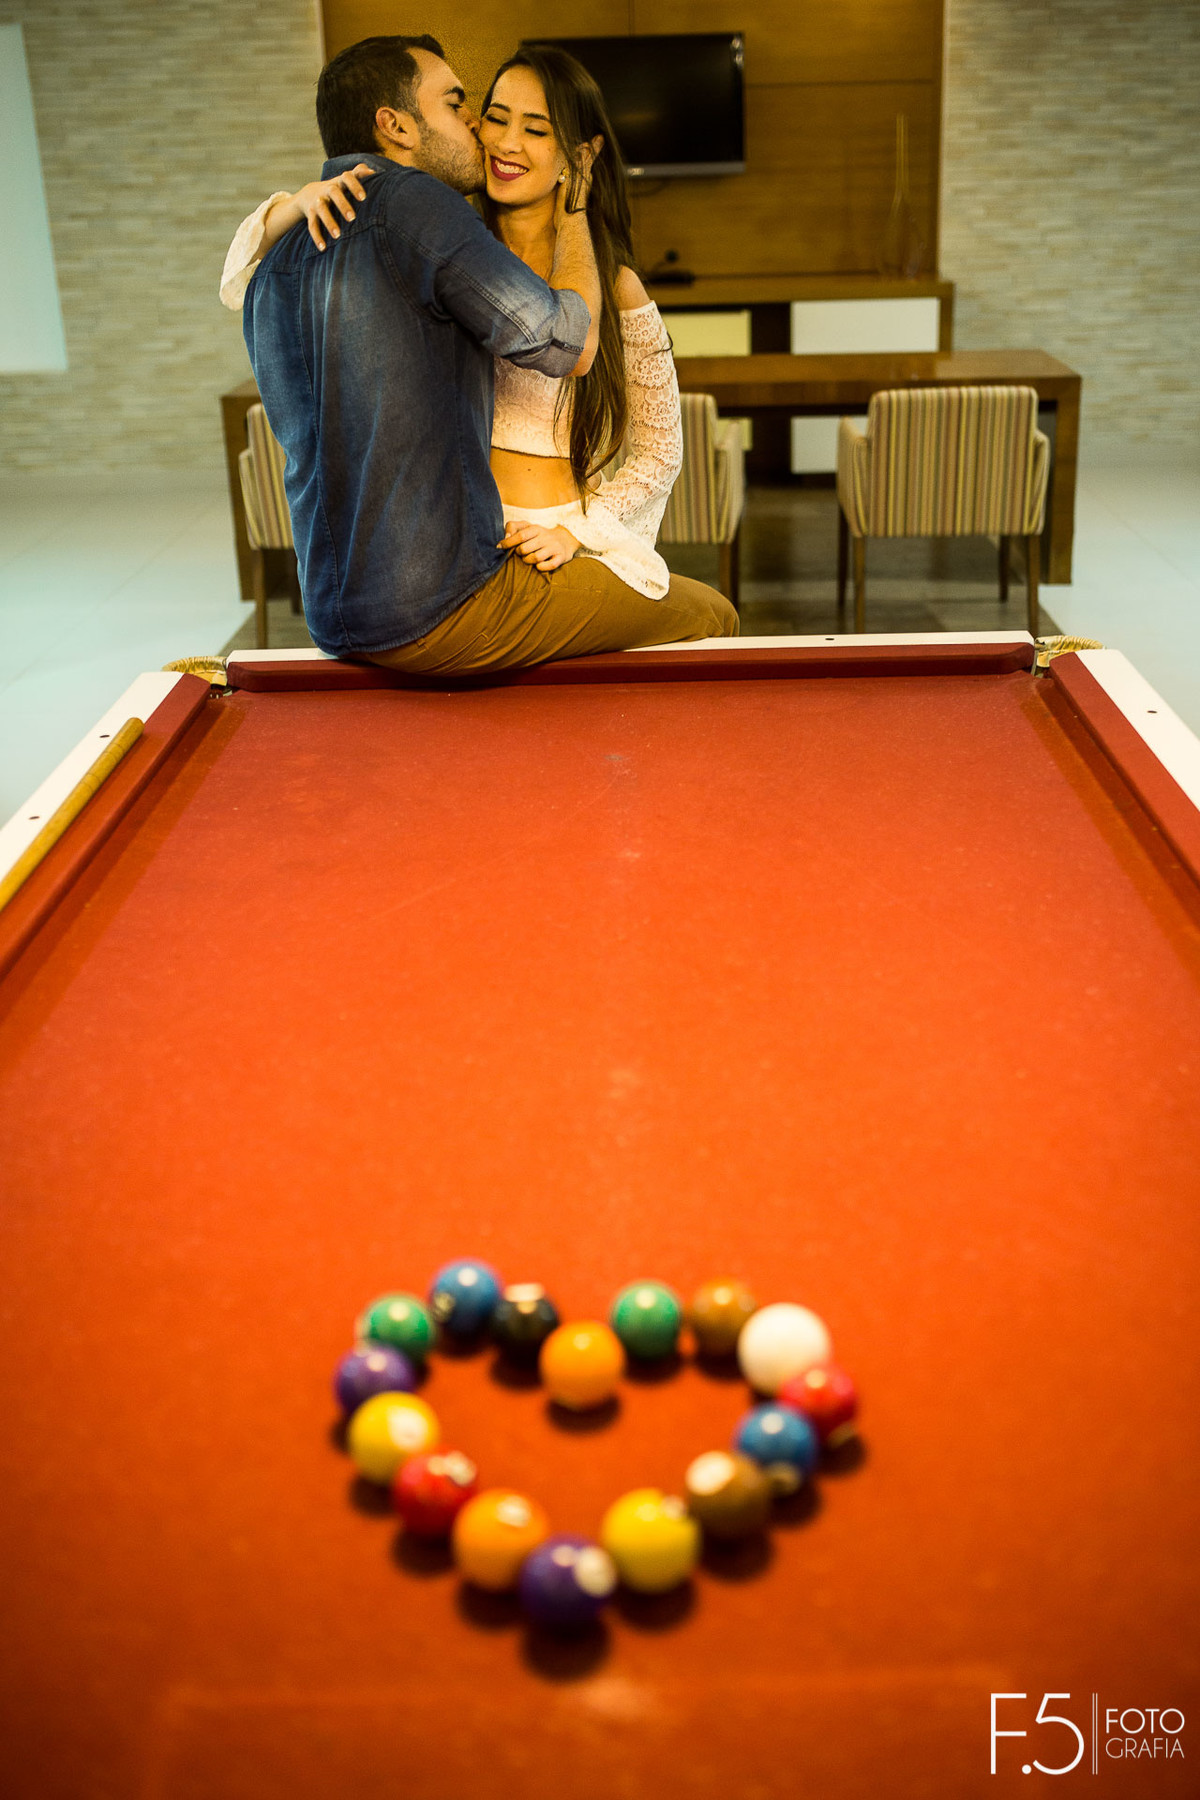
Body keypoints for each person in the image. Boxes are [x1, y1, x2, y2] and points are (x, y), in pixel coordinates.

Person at [225, 36, 736, 675]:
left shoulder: (608, 281)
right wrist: (288, 204)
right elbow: (565, 342)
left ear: (579, 155)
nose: (496, 137)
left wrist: (578, 534)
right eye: (488, 115)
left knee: (709, 615)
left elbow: (661, 449)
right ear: (398, 126)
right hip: (460, 558)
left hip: (548, 540)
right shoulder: (442, 245)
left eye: (537, 128)